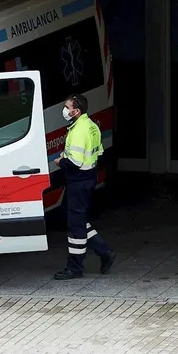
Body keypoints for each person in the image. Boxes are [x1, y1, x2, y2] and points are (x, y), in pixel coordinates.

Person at [53, 94, 116, 280]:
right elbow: (99, 152)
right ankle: (103, 251)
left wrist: (60, 161)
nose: (65, 110)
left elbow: (75, 161)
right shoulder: (92, 125)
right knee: (75, 218)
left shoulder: (80, 130)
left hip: (78, 179)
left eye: (67, 107)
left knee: (76, 225)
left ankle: (75, 267)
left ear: (76, 111)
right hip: (88, 177)